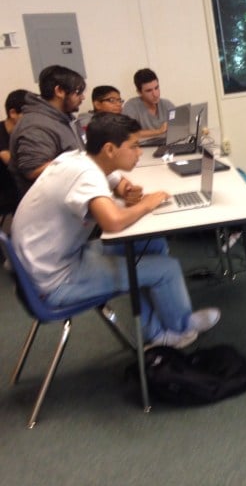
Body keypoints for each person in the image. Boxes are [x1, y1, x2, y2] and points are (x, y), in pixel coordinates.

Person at [11, 112, 220, 348]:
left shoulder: (78, 158)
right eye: (134, 146)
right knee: (167, 269)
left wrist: (124, 189)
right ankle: (179, 331)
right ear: (110, 149)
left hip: (47, 264)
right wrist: (147, 203)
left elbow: (113, 179)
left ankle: (162, 324)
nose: (139, 152)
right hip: (57, 281)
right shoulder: (86, 174)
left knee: (153, 245)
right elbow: (113, 222)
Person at [9, 65, 87, 198]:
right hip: (52, 206)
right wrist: (83, 163)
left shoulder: (65, 117)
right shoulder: (36, 125)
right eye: (78, 92)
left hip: (74, 193)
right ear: (60, 91)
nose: (83, 97)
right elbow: (33, 170)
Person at [122, 68, 175, 144]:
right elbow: (128, 133)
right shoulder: (131, 106)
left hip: (168, 145)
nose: (155, 94)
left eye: (156, 88)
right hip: (143, 150)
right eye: (149, 91)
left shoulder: (167, 104)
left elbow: (180, 127)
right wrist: (159, 131)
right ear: (139, 92)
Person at [1, 89, 26, 219]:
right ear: (12, 113)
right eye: (27, 114)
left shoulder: (25, 133)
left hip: (15, 186)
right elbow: (8, 159)